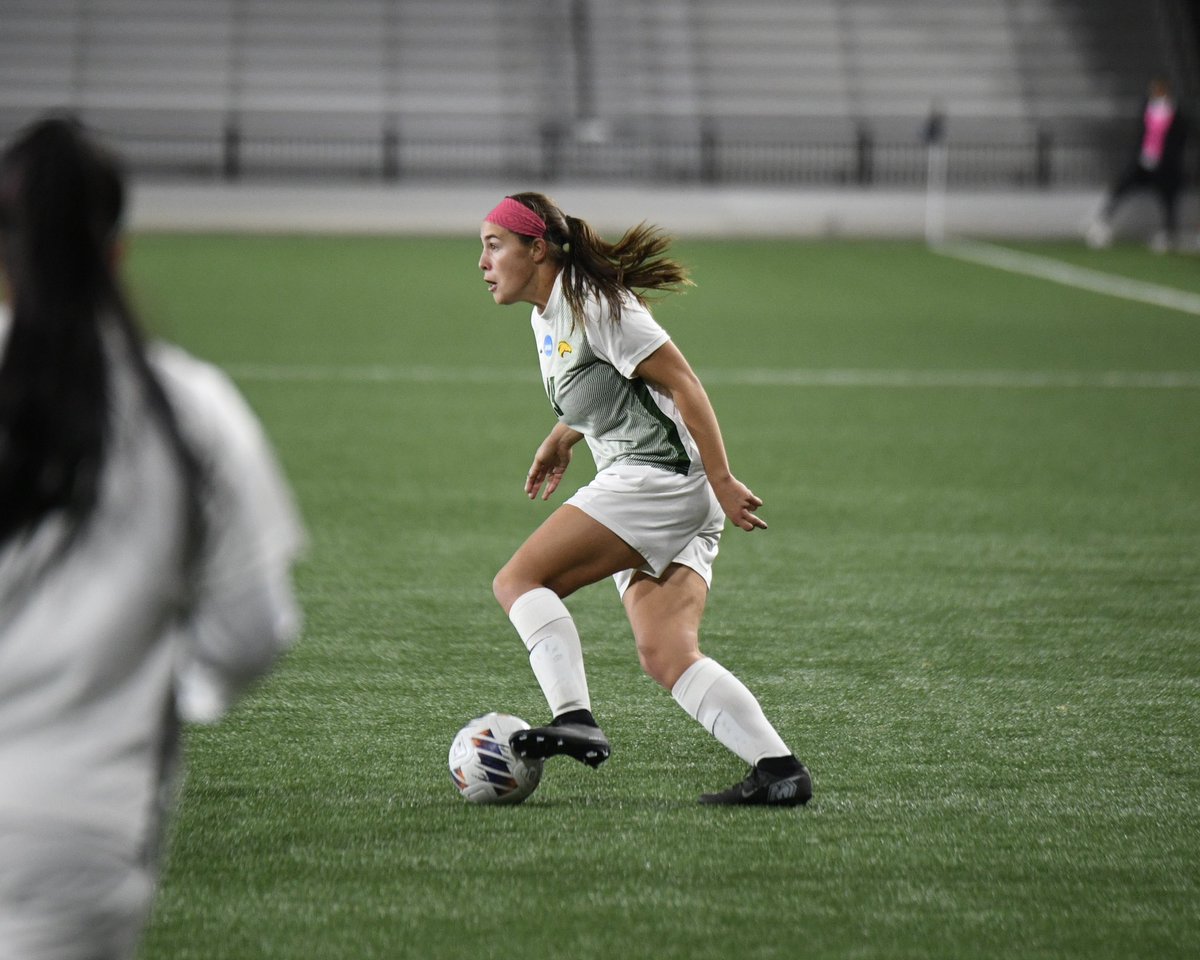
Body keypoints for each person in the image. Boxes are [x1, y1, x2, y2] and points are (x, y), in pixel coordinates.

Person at [0, 116, 305, 959]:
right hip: (83, 833)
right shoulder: (187, 408)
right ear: (117, 250)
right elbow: (254, 632)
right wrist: (162, 693)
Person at [477, 193, 811, 806]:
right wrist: (561, 437)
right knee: (667, 655)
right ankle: (779, 770)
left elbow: (681, 382)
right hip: (665, 486)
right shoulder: (546, 315)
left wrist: (722, 478)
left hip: (660, 479)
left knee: (519, 581)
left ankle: (573, 715)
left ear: (536, 248)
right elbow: (607, 388)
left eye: (494, 245)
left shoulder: (597, 306)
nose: (482, 261)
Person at [1086, 76, 1189, 251]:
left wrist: (1166, 157)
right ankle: (1103, 221)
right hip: (1144, 159)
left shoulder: (1175, 111)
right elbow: (1142, 133)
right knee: (1122, 187)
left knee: (1167, 198)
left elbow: (1178, 139)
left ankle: (1168, 233)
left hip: (1165, 163)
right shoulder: (1147, 107)